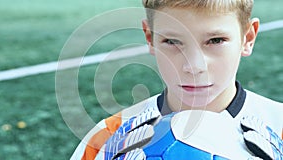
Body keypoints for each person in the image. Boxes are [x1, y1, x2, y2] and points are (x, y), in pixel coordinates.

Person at [71, 0, 283, 159]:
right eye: (172, 41)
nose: (194, 66)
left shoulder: (279, 127)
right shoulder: (106, 139)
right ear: (150, 38)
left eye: (215, 40)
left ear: (248, 38)